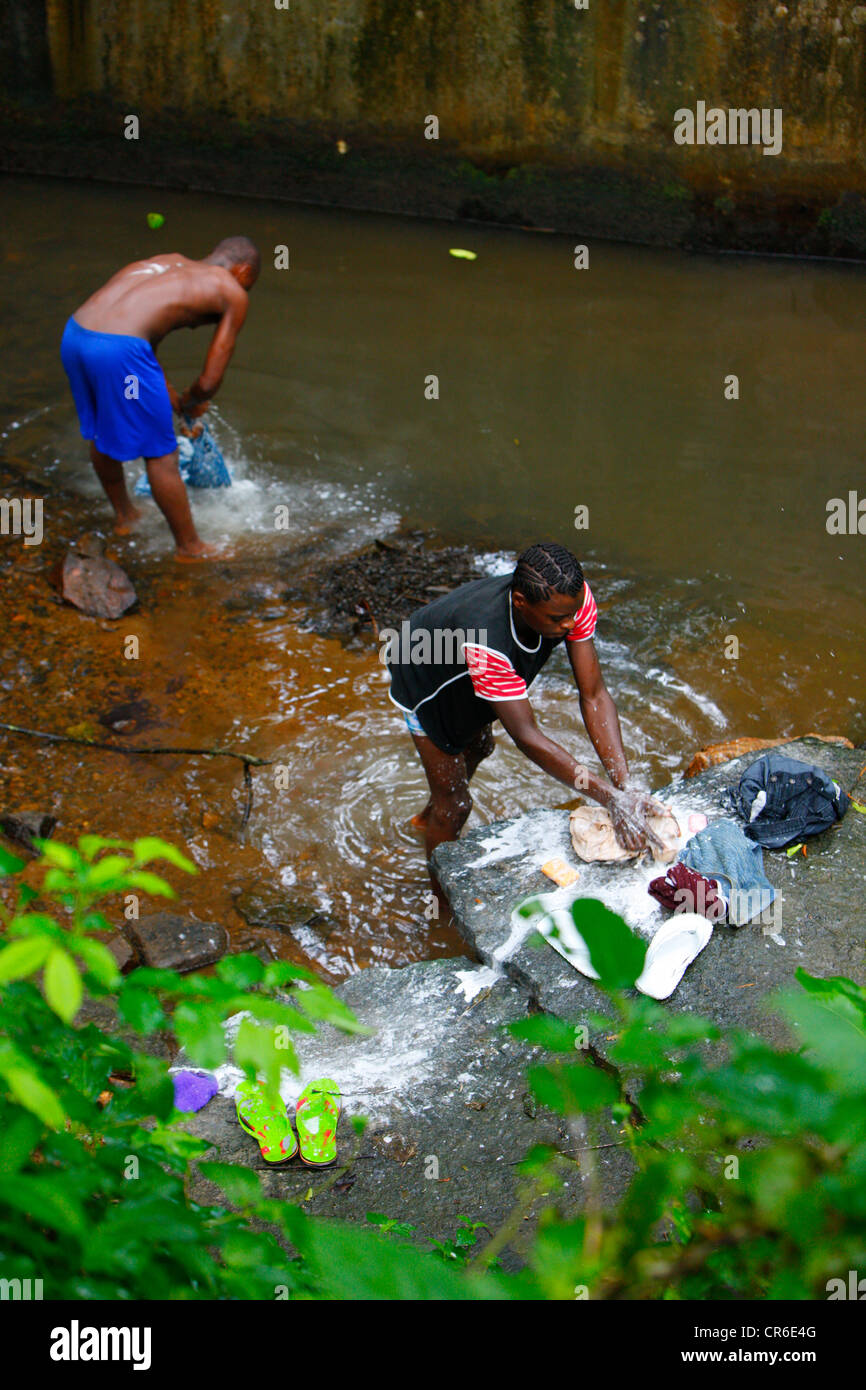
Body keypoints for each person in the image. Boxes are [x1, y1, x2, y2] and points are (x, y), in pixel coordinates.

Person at [386, 541, 666, 859]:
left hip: (467, 663)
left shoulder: (571, 601)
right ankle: (443, 899)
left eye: (573, 614)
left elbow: (594, 694)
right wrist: (610, 798)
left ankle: (424, 818)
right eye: (559, 619)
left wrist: (624, 785)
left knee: (480, 746)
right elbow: (526, 736)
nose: (570, 624)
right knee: (456, 807)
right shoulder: (487, 641)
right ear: (520, 602)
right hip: (424, 674)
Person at [60, 235, 260, 558]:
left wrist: (165, 390)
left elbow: (138, 324)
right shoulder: (232, 291)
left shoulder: (167, 262)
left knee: (102, 429)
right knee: (161, 454)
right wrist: (192, 402)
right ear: (244, 272)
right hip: (119, 351)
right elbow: (209, 382)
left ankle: (126, 517)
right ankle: (190, 547)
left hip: (76, 335)